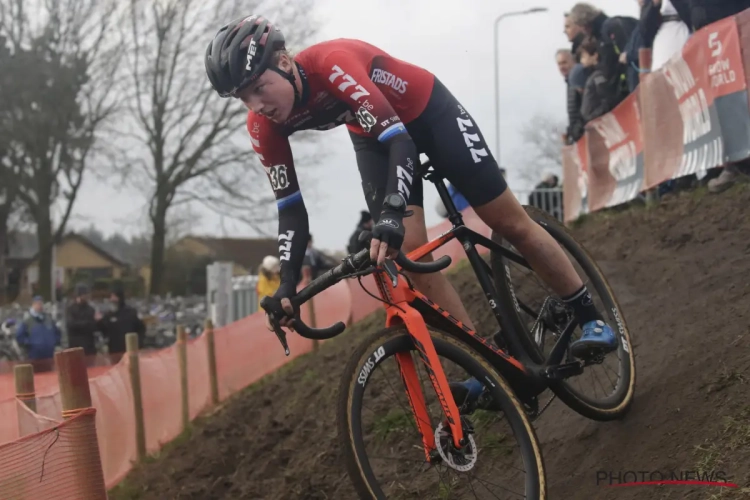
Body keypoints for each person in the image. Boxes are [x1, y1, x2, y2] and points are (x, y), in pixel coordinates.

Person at [204, 15, 619, 404]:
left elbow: (400, 140)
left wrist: (390, 212)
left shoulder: (331, 64)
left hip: (428, 113)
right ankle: (486, 364)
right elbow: (290, 209)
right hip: (371, 135)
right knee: (411, 257)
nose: (255, 105)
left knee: (507, 221)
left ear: (283, 61)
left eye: (259, 88)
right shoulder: (262, 126)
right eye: (243, 97)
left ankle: (589, 315)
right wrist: (287, 284)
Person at [97, 287, 146, 355]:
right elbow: (104, 330)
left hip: (129, 350)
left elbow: (141, 328)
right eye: (111, 296)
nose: (112, 299)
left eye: (114, 296)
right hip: (114, 351)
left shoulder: (130, 312)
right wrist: (99, 321)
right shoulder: (109, 314)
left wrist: (139, 343)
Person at [15, 295, 61, 361]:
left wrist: (55, 342)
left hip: (49, 356)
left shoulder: (48, 319)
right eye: (38, 304)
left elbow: (57, 332)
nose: (40, 306)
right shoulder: (28, 320)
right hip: (35, 356)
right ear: (33, 305)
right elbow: (19, 336)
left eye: (41, 303)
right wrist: (29, 343)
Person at [66, 283, 98, 356]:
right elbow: (71, 325)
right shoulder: (71, 309)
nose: (87, 296)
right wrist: (86, 324)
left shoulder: (90, 309)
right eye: (85, 294)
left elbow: (93, 326)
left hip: (89, 347)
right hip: (75, 347)